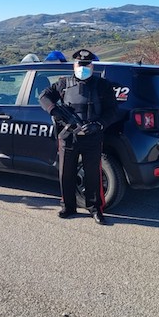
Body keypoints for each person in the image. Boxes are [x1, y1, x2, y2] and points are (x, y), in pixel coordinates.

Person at [39, 49, 118, 224]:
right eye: (80, 64)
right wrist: (54, 111)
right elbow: (43, 96)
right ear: (74, 65)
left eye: (86, 65)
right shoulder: (63, 84)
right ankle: (68, 206)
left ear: (92, 65)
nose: (83, 67)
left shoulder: (102, 85)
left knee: (93, 174)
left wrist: (99, 125)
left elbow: (113, 111)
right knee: (66, 172)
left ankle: (95, 209)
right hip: (68, 135)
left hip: (93, 135)